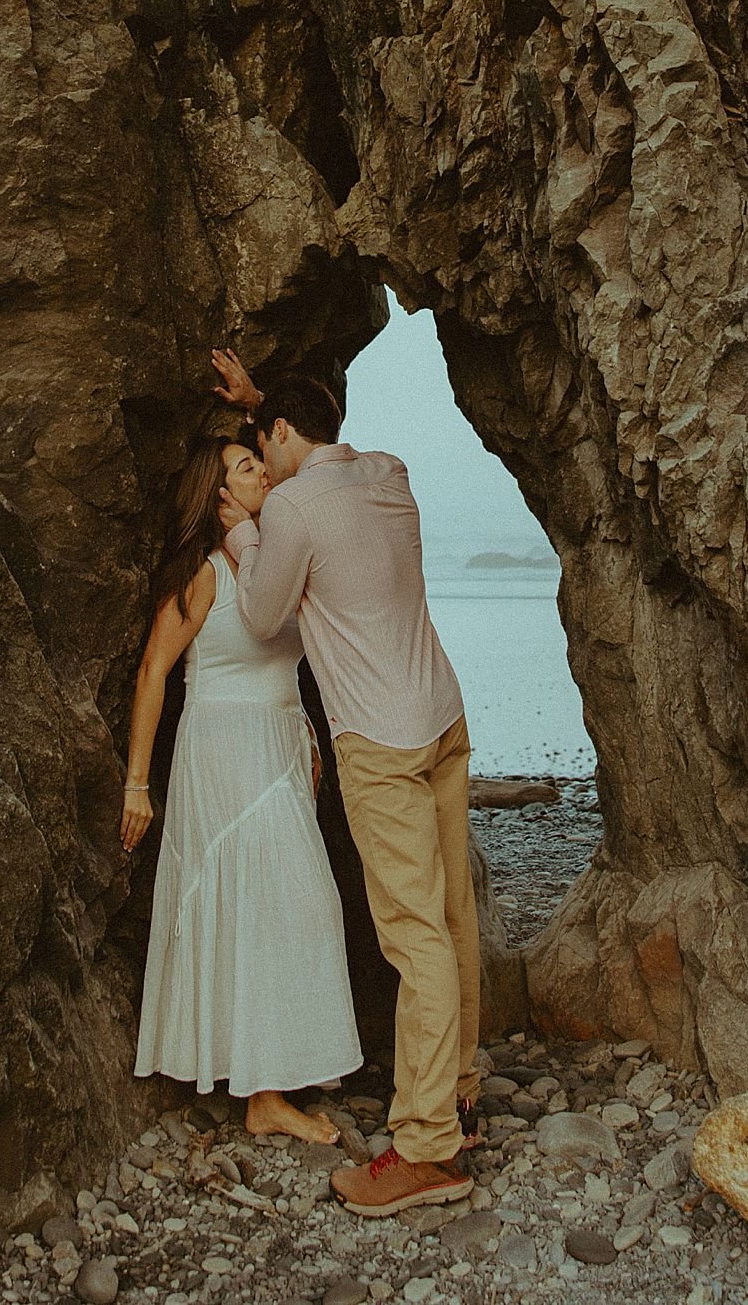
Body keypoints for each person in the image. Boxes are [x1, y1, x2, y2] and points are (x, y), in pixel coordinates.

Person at [210, 347, 481, 1217]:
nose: (261, 451)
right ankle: (460, 1095)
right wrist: (272, 403)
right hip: (442, 715)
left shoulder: (289, 506)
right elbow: (326, 450)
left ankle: (430, 1149)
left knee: (414, 938)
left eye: (263, 435)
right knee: (453, 918)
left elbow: (259, 615)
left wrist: (243, 531)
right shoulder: (388, 473)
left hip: (380, 739)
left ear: (282, 434)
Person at [122, 435, 361, 1141]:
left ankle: (267, 1083)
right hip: (222, 750)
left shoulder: (274, 562)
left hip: (282, 745)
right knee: (272, 904)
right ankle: (264, 1096)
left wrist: (309, 735)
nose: (261, 471)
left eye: (259, 460)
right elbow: (151, 673)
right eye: (245, 467)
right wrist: (137, 783)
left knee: (292, 907)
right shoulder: (202, 575)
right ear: (219, 496)